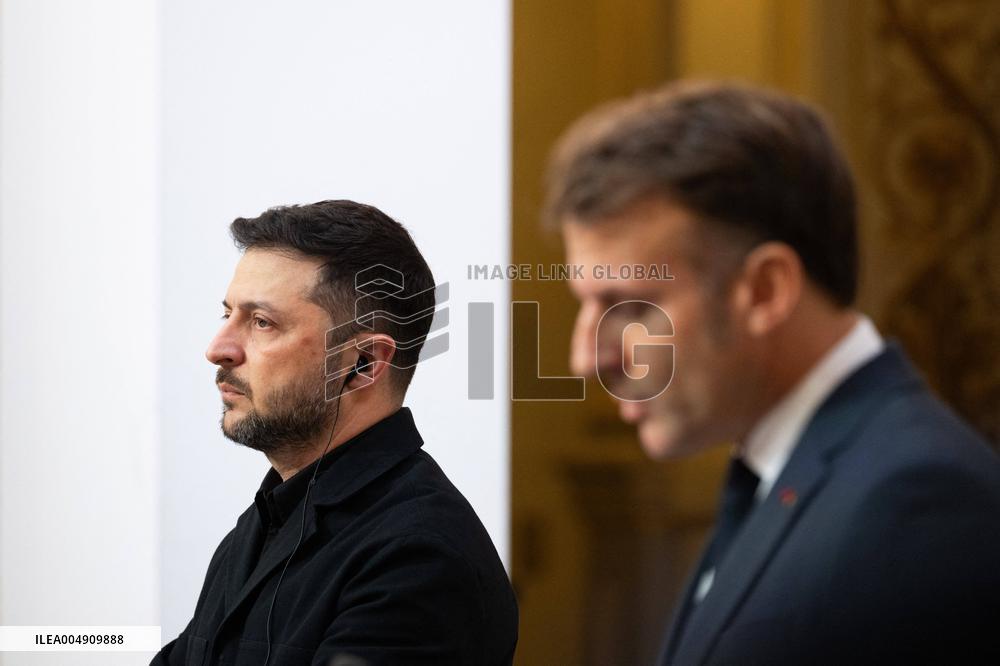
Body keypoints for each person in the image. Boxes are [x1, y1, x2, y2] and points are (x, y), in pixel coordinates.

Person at [547, 81, 1000, 663]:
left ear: (764, 290)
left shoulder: (916, 502)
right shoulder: (789, 472)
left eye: (630, 307)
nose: (587, 358)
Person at [152, 200, 517, 665]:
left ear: (363, 363)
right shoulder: (258, 529)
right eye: (227, 315)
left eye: (262, 322)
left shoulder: (417, 558)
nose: (218, 348)